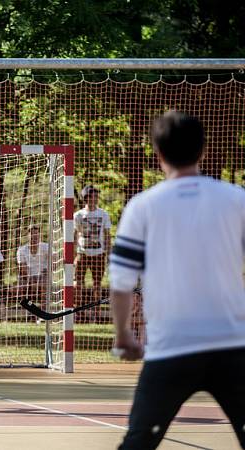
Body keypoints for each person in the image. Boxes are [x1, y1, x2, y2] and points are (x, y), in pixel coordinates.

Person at [109, 110, 245, 449]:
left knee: (138, 441)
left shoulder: (142, 207)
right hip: (232, 346)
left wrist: (124, 335)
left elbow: (122, 284)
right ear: (204, 151)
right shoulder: (236, 199)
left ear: (158, 154)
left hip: (171, 347)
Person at [74, 184, 112, 321]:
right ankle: (79, 312)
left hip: (98, 253)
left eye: (97, 196)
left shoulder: (103, 214)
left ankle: (96, 313)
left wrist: (109, 253)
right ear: (86, 198)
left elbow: (107, 235)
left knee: (97, 284)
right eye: (92, 196)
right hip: (82, 253)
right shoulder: (78, 215)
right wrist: (73, 255)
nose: (95, 199)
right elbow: (74, 234)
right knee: (78, 282)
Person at [16, 224, 51, 304]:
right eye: (32, 234)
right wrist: (31, 280)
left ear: (39, 235)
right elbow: (23, 269)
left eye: (36, 234)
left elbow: (54, 262)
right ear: (28, 236)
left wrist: (47, 270)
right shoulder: (21, 250)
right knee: (21, 284)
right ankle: (28, 308)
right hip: (28, 276)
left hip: (43, 275)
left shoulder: (46, 247)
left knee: (44, 282)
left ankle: (44, 308)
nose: (34, 237)